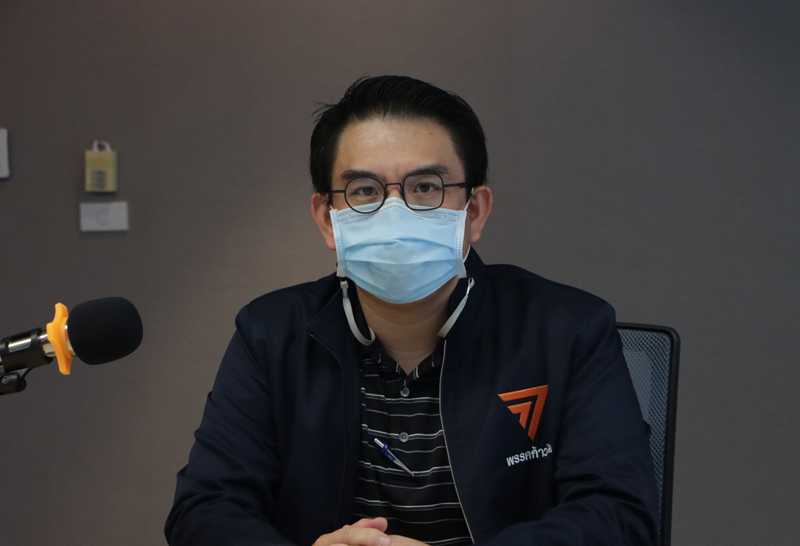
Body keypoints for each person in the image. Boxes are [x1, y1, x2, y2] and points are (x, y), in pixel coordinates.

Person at [165, 76, 659, 546]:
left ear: (474, 212)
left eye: (426, 187)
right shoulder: (270, 334)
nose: (394, 214)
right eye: (364, 191)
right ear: (327, 220)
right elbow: (205, 509)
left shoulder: (568, 329)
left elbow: (620, 514)